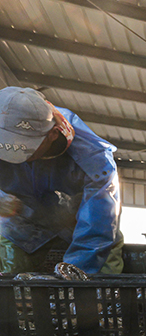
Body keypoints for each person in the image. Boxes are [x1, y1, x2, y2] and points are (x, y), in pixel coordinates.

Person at [0, 86, 123, 274]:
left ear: (52, 135)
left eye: (24, 147)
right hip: (22, 219)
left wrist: (77, 270)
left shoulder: (94, 160)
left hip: (79, 222)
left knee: (100, 274)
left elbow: (99, 220)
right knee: (10, 276)